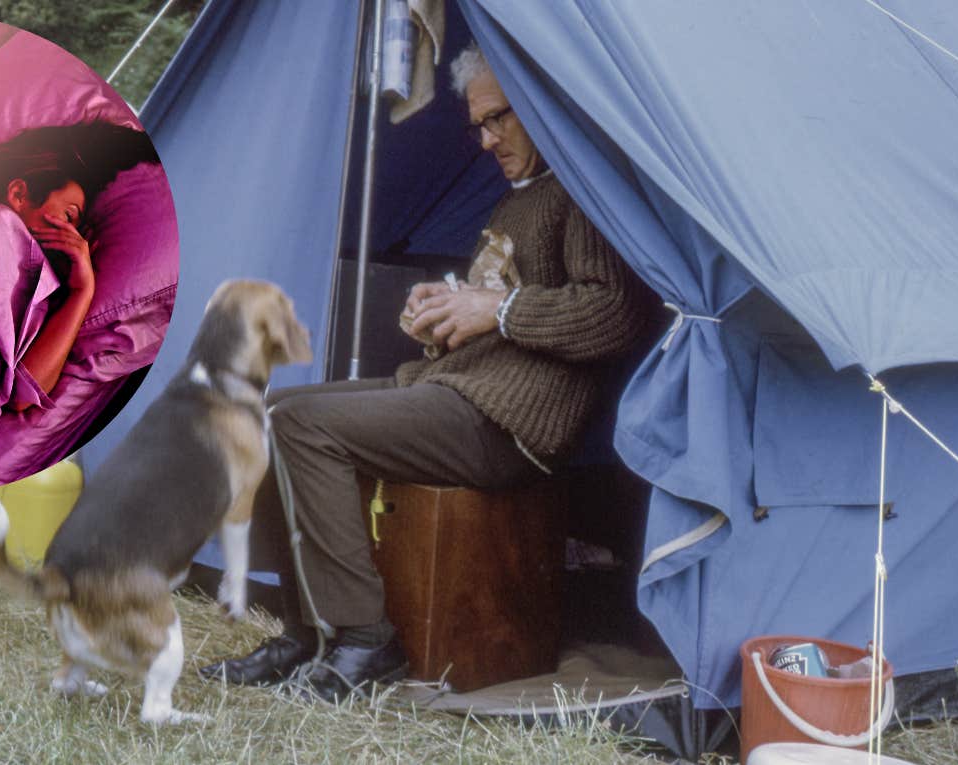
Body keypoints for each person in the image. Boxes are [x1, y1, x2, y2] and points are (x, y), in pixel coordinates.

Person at [199, 46, 660, 701]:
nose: (485, 139)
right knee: (270, 408)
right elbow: (491, 313)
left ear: (540, 108)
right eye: (479, 124)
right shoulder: (514, 203)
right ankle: (307, 633)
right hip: (453, 389)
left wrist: (493, 308)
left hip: (506, 423)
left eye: (498, 119)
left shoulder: (581, 195)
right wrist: (441, 315)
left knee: (300, 423)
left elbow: (615, 312)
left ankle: (365, 639)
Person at [0, 123, 157, 411]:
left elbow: (22, 395)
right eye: (69, 217)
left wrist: (82, 291)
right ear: (20, 194)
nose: (77, 238)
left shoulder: (37, 289)